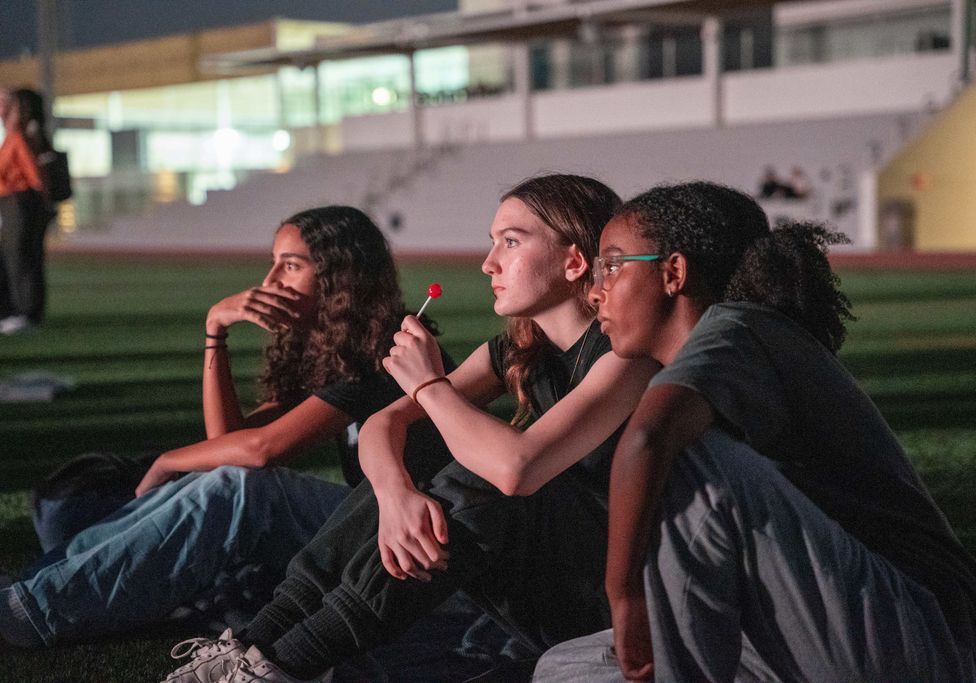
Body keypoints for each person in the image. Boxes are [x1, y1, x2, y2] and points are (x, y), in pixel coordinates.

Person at [159, 173, 660, 683]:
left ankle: (284, 667)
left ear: (575, 261)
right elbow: (383, 423)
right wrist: (395, 493)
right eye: (492, 243)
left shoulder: (626, 358)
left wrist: (427, 386)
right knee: (412, 461)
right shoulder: (519, 348)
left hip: (615, 604)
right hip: (550, 584)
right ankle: (254, 645)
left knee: (480, 466)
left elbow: (517, 469)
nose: (490, 263)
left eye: (511, 242)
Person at [532, 182, 976, 681]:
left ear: (674, 272)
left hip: (926, 635)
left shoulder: (740, 328)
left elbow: (648, 439)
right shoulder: (719, 351)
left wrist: (624, 596)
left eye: (614, 265)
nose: (596, 288)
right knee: (562, 668)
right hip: (824, 629)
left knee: (688, 459)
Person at [0, 206, 456, 651]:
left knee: (243, 488)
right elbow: (226, 444)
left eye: (290, 266)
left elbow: (260, 451)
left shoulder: (392, 350)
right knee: (228, 478)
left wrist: (166, 462)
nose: (271, 281)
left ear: (340, 278)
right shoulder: (338, 349)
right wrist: (215, 329)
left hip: (424, 544)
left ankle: (35, 612)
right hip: (369, 527)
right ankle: (33, 587)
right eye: (273, 264)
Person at [0, 88, 53, 334]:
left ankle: (25, 313)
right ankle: (18, 311)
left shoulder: (18, 138)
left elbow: (34, 177)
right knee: (15, 258)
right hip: (13, 202)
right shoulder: (12, 136)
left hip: (19, 202)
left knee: (20, 258)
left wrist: (43, 203)